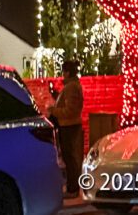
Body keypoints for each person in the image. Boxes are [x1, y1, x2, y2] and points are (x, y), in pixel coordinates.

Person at [48, 58, 84, 197]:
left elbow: (71, 110)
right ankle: (72, 187)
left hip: (69, 125)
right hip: (68, 125)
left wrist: (53, 110)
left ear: (67, 72)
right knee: (70, 157)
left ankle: (73, 189)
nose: (62, 74)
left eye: (63, 72)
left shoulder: (71, 87)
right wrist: (56, 96)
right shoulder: (71, 86)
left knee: (70, 157)